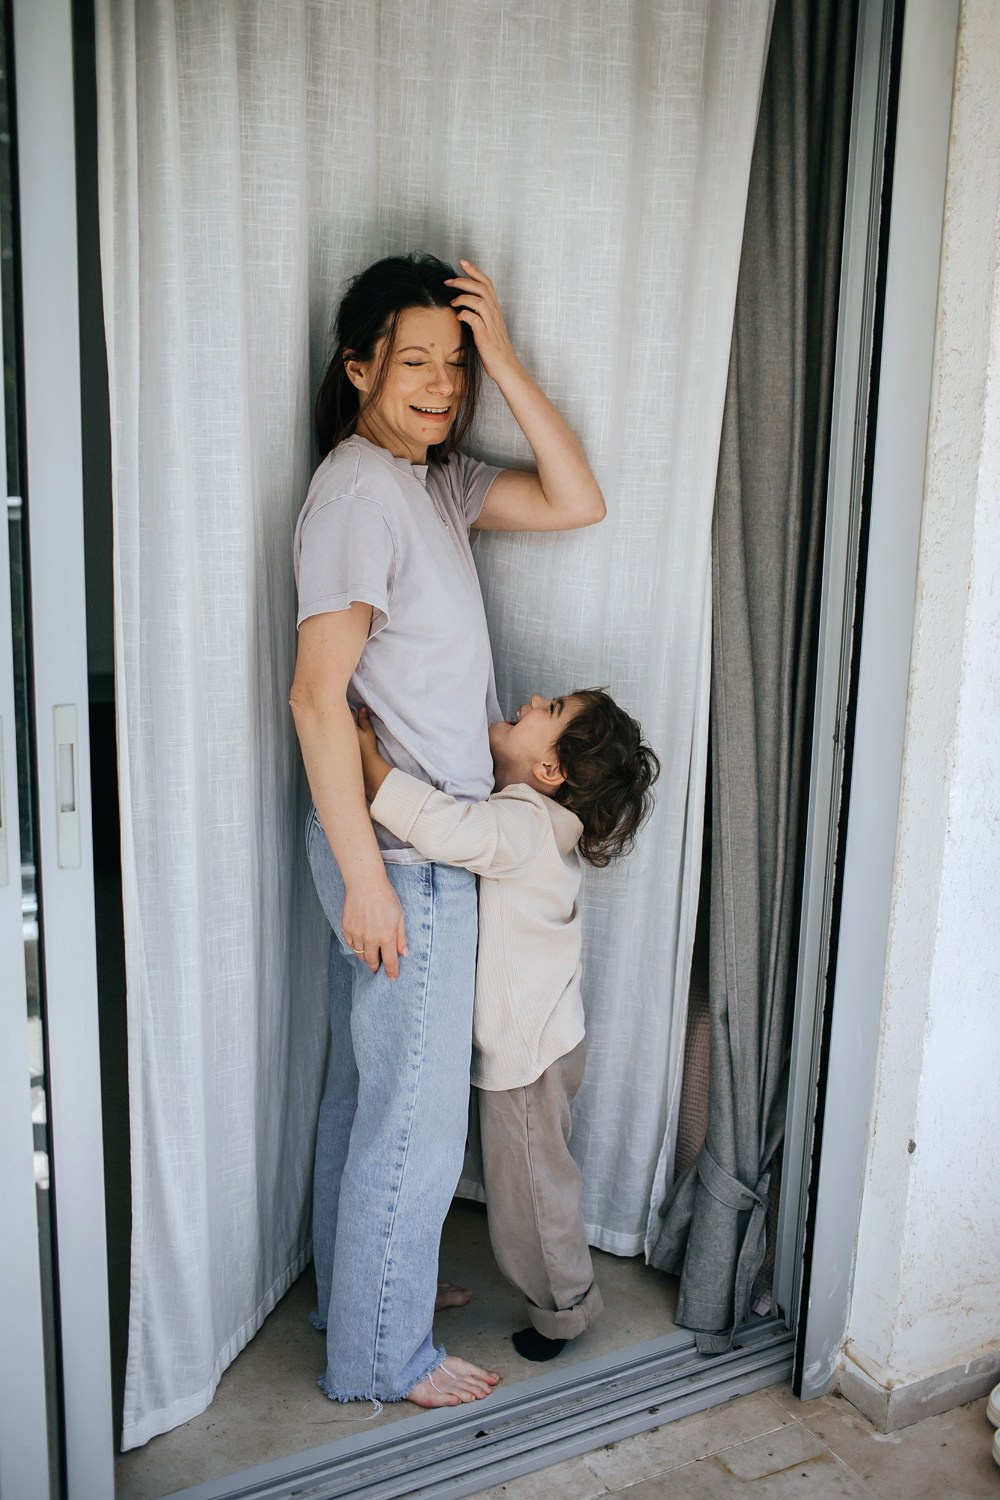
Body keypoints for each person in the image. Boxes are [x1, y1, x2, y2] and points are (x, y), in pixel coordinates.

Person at [289, 252, 605, 1409]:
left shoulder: (431, 482)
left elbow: (576, 500)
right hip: (402, 860)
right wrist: (368, 880)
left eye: (455, 364)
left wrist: (504, 357)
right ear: (358, 369)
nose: (441, 384)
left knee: (369, 1096)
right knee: (414, 1122)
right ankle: (383, 1355)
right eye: (413, 361)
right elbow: (314, 699)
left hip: (407, 850)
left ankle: (360, 1295)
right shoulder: (358, 493)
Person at [355, 687, 659, 1361]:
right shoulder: (538, 821)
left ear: (550, 770)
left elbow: (445, 828)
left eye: (551, 709)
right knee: (534, 1182)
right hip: (544, 1042)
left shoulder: (525, 823)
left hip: (529, 1058)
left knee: (531, 1198)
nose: (533, 698)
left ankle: (564, 1311)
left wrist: (371, 765)